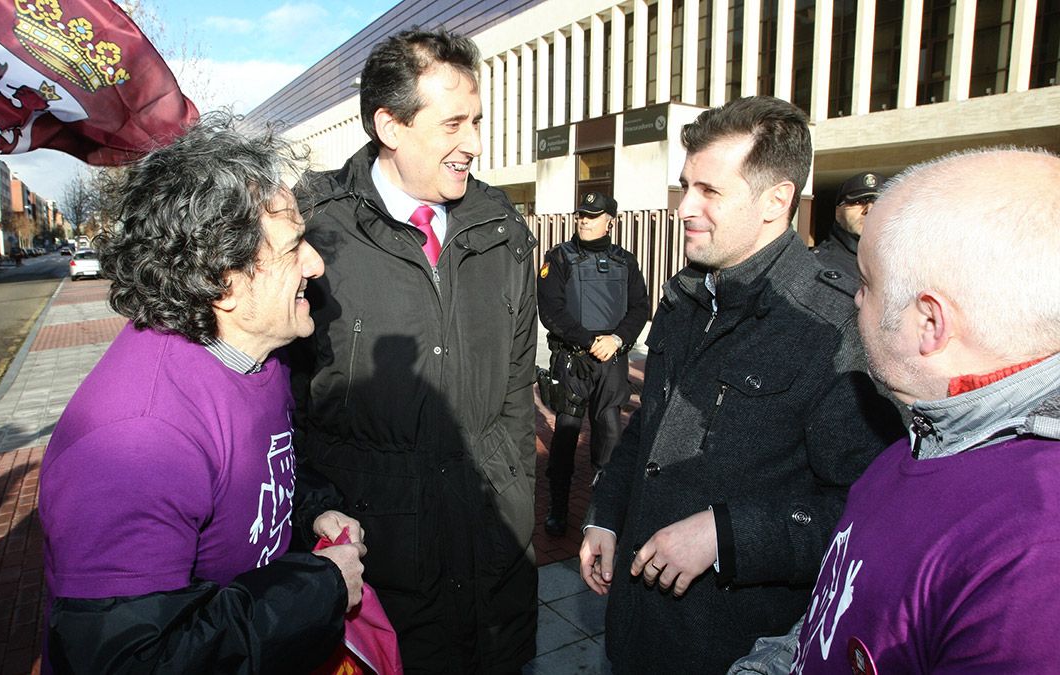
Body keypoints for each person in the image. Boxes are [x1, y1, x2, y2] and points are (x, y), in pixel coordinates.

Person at [578, 96, 903, 674]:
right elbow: (646, 432)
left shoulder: (833, 324)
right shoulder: (684, 297)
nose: (685, 207)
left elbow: (874, 513)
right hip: (634, 631)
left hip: (735, 648)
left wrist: (729, 536)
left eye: (710, 191)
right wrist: (606, 513)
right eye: (685, 186)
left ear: (777, 200)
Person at [38, 114, 367, 673]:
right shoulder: (136, 443)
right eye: (293, 248)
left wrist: (312, 509)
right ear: (222, 281)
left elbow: (250, 475)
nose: (315, 264)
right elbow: (136, 660)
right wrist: (321, 586)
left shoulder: (254, 357)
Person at [729, 147, 1060, 674]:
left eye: (867, 283)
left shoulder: (1033, 560)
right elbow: (828, 625)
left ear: (930, 323)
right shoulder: (919, 438)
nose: (856, 301)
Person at [292, 27, 539, 673]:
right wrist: (319, 512)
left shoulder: (502, 229)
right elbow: (282, 409)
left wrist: (515, 498)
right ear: (390, 124)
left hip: (495, 557)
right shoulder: (314, 233)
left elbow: (517, 389)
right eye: (454, 122)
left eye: (478, 121)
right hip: (379, 574)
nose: (475, 144)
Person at [537, 190, 649, 536]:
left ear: (609, 221)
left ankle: (602, 514)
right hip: (574, 359)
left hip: (611, 358)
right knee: (566, 436)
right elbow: (551, 311)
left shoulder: (626, 261)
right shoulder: (558, 258)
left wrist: (616, 340)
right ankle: (558, 509)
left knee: (609, 437)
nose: (584, 221)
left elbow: (639, 308)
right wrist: (588, 342)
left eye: (592, 215)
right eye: (581, 215)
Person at [811, 171, 886, 281]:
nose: (869, 210)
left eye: (879, 204)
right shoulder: (815, 266)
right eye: (858, 202)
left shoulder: (910, 262)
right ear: (838, 213)